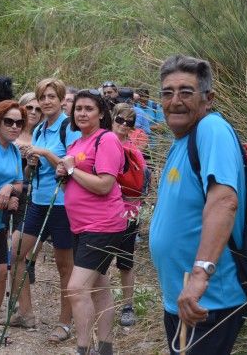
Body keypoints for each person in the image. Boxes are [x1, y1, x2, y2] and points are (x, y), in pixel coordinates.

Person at [149, 55, 247, 354]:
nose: (175, 100)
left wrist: (199, 277)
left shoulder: (211, 130)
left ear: (208, 98)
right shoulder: (184, 140)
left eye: (186, 92)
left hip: (207, 300)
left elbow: (224, 201)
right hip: (186, 298)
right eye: (168, 93)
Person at [9, 78, 80, 344]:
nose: (47, 101)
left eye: (52, 96)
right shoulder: (40, 129)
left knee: (65, 267)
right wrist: (31, 162)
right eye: (43, 97)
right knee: (15, 253)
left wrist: (44, 153)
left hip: (62, 205)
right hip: (37, 202)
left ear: (62, 99)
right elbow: (32, 171)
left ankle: (64, 323)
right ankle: (26, 314)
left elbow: (72, 165)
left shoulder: (67, 127)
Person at [56, 89, 126, 355]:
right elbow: (74, 186)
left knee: (76, 288)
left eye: (88, 108)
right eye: (78, 109)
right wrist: (63, 174)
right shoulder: (75, 145)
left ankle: (83, 349)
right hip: (82, 226)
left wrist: (72, 170)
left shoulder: (106, 139)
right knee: (99, 284)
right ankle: (106, 347)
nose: (82, 113)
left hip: (103, 225)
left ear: (101, 113)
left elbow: (105, 185)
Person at [0, 100, 25, 342]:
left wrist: (10, 190)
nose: (14, 126)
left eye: (19, 123)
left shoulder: (14, 151)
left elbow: (19, 182)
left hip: (0, 222)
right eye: (8, 121)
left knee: (1, 271)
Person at [111, 103, 147, 327]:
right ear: (112, 119)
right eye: (120, 120)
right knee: (98, 261)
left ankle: (127, 306)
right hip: (102, 212)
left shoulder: (134, 152)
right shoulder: (101, 142)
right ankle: (96, 303)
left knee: (125, 260)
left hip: (127, 211)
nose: (123, 126)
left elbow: (140, 184)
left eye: (129, 123)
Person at [14, 92, 43, 284]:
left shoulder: (42, 134)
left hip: (34, 192)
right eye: (29, 107)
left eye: (38, 109)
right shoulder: (11, 128)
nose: (33, 112)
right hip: (11, 191)